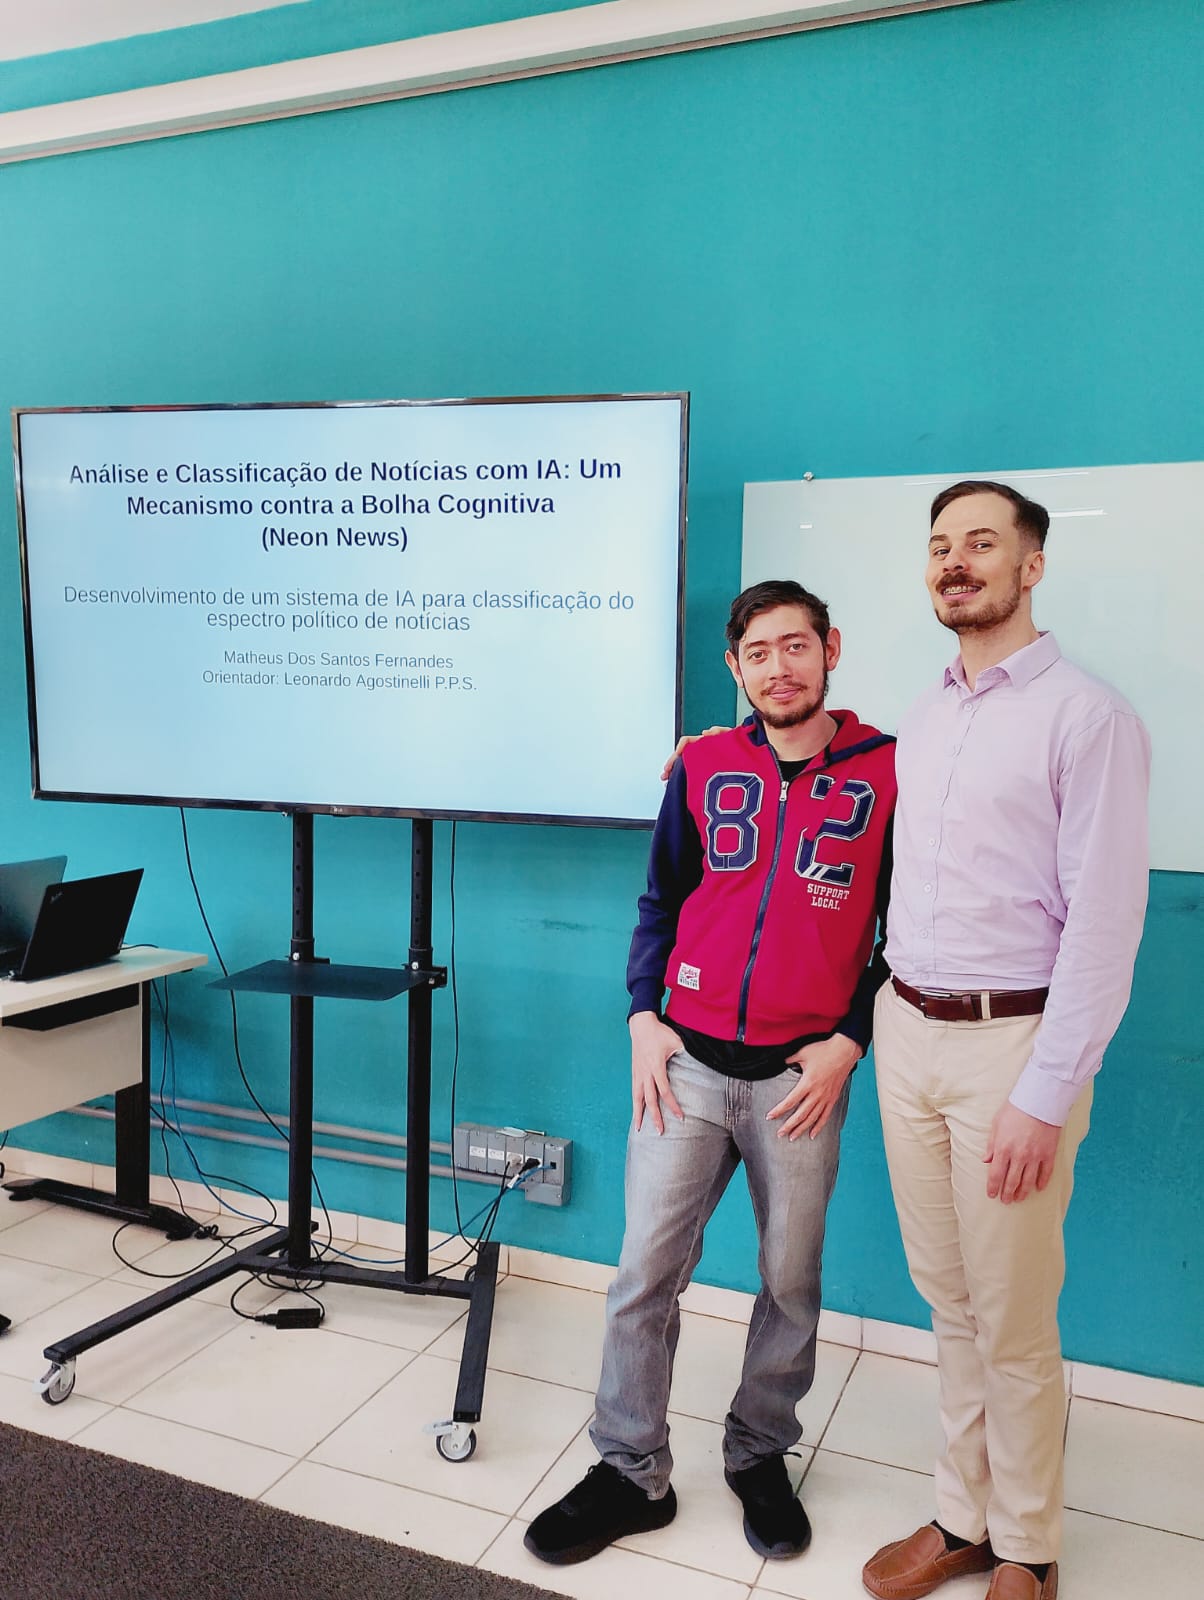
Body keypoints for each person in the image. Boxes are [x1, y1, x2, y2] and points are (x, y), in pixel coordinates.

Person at [524, 579, 897, 1567]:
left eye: (796, 646)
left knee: (789, 1279)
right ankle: (629, 1471)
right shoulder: (701, 765)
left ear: (830, 650)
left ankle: (759, 1451)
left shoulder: (891, 771)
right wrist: (642, 1016)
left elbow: (907, 929)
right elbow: (660, 901)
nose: (779, 667)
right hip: (683, 1062)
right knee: (643, 1273)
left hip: (799, 1080)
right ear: (735, 667)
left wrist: (850, 1038)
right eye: (757, 653)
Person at [862, 481, 1150, 1600]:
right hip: (909, 1031)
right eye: (940, 545)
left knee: (1013, 1318)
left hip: (1011, 1047)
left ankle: (1027, 1545)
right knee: (949, 1303)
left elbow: (1105, 928)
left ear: (1031, 566)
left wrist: (1045, 1091)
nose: (955, 562)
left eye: (981, 543)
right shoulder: (928, 711)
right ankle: (962, 1518)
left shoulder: (1088, 717)